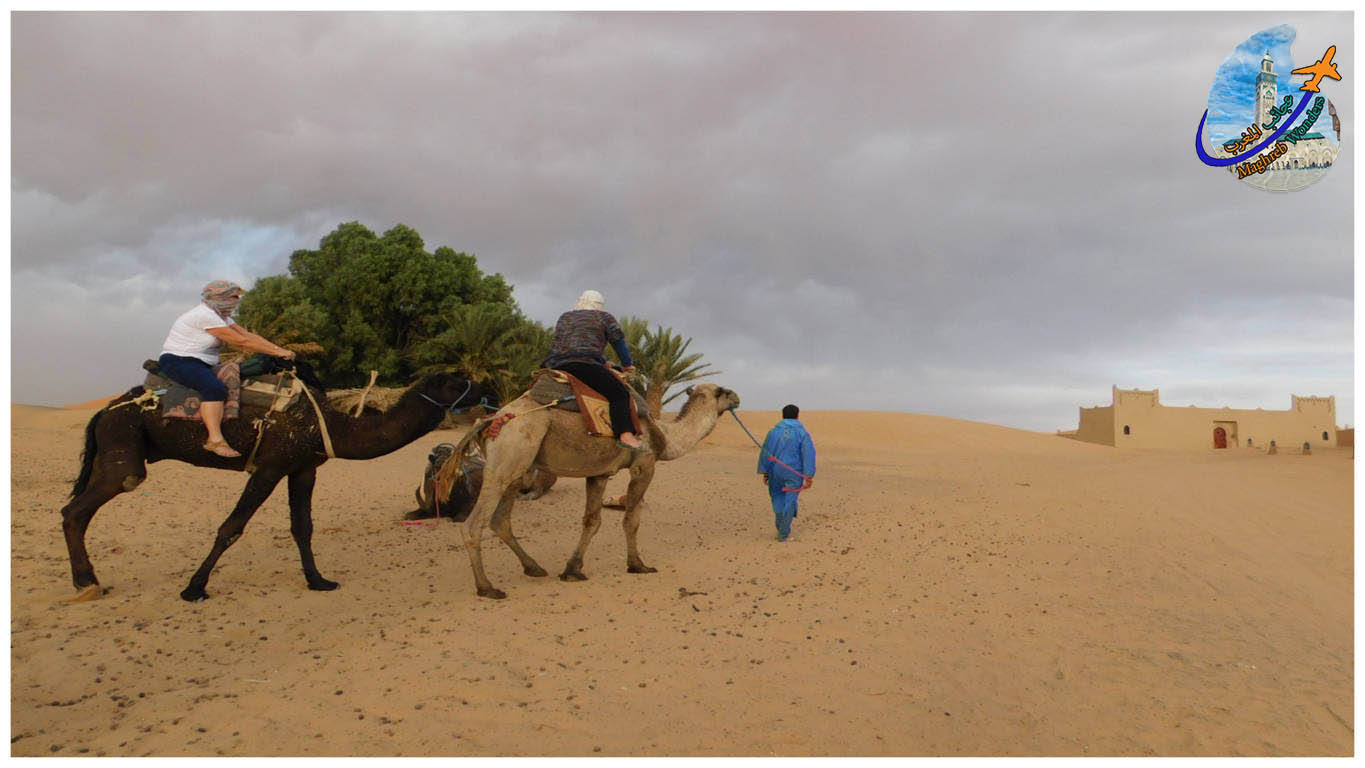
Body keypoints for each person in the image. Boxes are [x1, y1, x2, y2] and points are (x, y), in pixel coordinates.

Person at [158, 280, 297, 458]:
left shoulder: (221, 316)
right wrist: (277, 352)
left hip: (202, 362)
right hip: (180, 360)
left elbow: (247, 335)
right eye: (233, 297)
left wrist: (279, 351)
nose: (236, 300)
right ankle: (215, 439)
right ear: (220, 298)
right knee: (214, 388)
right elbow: (241, 342)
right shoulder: (204, 315)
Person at [542, 290, 644, 450]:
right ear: (599, 306)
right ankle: (625, 435)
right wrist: (627, 364)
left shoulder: (565, 317)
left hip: (554, 364)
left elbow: (569, 344)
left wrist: (603, 362)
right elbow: (619, 343)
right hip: (583, 365)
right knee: (620, 395)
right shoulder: (604, 317)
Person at [758, 404, 817, 541]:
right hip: (793, 473)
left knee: (777, 497)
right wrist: (809, 475)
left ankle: (781, 525)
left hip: (775, 471)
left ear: (782, 416)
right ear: (797, 415)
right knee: (789, 500)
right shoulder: (802, 433)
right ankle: (784, 533)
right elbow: (808, 454)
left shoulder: (773, 432)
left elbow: (766, 452)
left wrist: (766, 471)